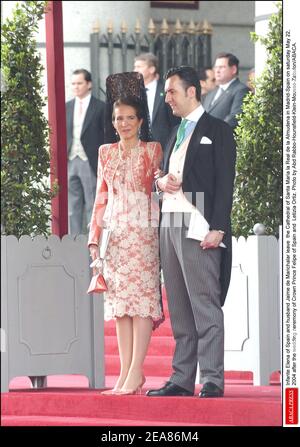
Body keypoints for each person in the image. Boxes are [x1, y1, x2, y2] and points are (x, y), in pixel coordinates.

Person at [146, 66, 236, 398]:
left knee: (205, 304)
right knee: (180, 307)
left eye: (171, 91)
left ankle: (212, 379)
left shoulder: (219, 130)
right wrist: (159, 181)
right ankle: (181, 379)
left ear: (191, 92)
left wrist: (219, 228)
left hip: (199, 223)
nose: (166, 98)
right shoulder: (173, 131)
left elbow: (226, 183)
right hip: (169, 222)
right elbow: (163, 174)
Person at [88, 72, 164, 395]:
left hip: (144, 230)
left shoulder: (154, 150)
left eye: (130, 117)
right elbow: (100, 197)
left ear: (140, 119)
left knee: (141, 301)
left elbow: (159, 187)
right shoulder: (105, 152)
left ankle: (136, 372)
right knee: (120, 305)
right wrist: (94, 239)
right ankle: (124, 374)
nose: (124, 123)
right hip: (114, 234)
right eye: (119, 118)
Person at [66, 69, 105, 235]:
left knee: (92, 204)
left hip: (90, 160)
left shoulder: (101, 107)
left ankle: (92, 247)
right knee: (72, 208)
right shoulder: (66, 106)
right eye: (73, 83)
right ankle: (74, 245)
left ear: (89, 84)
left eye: (79, 83)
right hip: (70, 160)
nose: (76, 87)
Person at [134, 52, 180, 152]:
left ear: (152, 69)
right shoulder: (132, 92)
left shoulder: (166, 90)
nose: (135, 70)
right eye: (135, 67)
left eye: (139, 67)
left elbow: (175, 121)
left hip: (163, 146)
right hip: (138, 147)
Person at [202, 52, 250, 128]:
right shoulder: (211, 93)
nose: (217, 71)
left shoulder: (241, 90)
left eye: (221, 67)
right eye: (216, 67)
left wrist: (211, 132)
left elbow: (235, 118)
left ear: (233, 69)